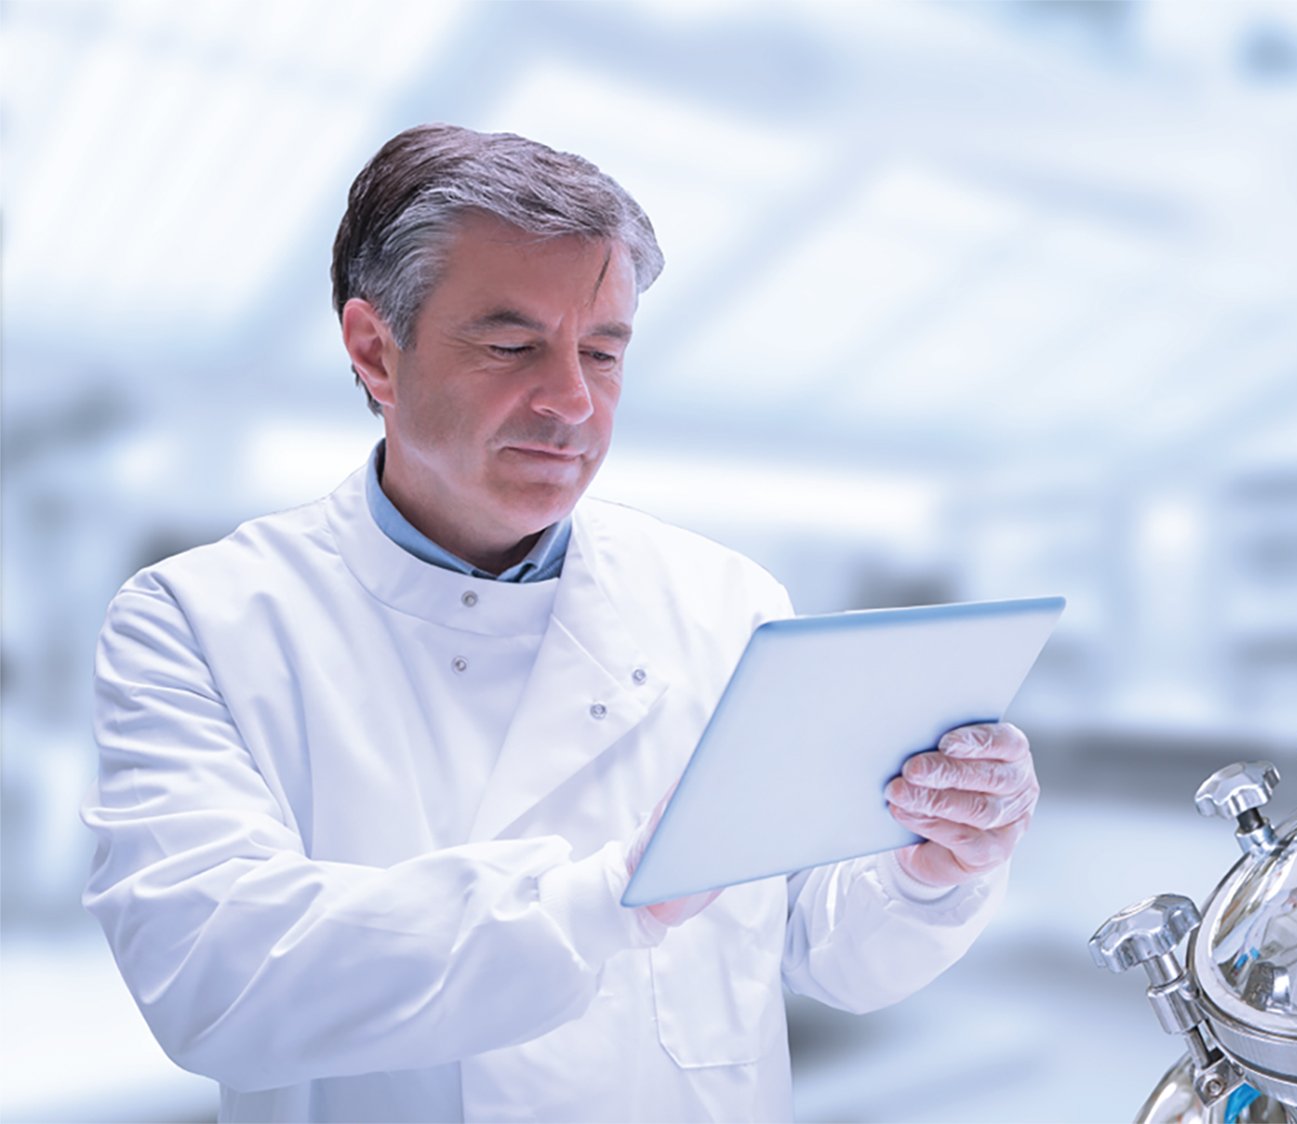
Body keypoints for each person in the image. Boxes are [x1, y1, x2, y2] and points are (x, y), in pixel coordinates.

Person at [80, 123, 1040, 1122]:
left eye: (601, 351)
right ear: (375, 349)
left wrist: (933, 865)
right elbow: (214, 980)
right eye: (511, 346)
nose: (572, 401)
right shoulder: (199, 621)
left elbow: (821, 949)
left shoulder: (723, 602)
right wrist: (610, 897)